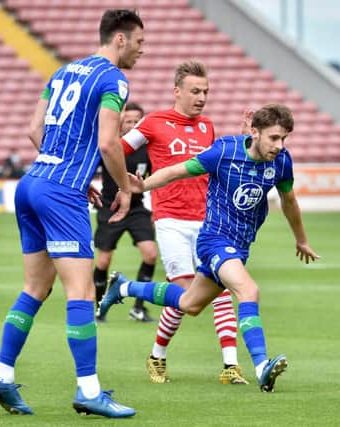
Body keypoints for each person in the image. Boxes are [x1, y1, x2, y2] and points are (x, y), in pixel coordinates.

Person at [99, 103, 319, 392]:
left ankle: (124, 288)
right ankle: (262, 366)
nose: (280, 145)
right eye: (274, 138)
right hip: (214, 240)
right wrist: (144, 186)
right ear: (255, 132)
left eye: (284, 138)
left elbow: (289, 201)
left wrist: (300, 239)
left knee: (190, 304)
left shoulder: (281, 162)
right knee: (248, 291)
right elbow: (177, 171)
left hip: (239, 246)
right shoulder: (224, 151)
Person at [0, 9, 144, 418]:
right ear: (120, 40)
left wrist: (69, 171)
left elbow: (34, 129)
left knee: (35, 289)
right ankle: (89, 390)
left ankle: (2, 375)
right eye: (140, 43)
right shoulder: (114, 79)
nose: (143, 52)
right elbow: (110, 144)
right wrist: (124, 190)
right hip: (59, 192)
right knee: (83, 291)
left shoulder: (63, 72)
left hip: (32, 183)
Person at [120, 61, 249, 385]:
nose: (202, 97)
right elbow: (116, 148)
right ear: (177, 91)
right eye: (195, 91)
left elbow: (221, 163)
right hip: (171, 221)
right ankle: (157, 354)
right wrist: (123, 182)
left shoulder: (207, 127)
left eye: (205, 91)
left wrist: (246, 142)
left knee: (220, 290)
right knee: (184, 294)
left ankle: (230, 366)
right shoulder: (153, 123)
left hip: (207, 222)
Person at [93, 102, 156, 323]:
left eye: (136, 121)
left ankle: (138, 308)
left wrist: (155, 209)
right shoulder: (110, 146)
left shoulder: (148, 150)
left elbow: (155, 180)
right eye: (127, 121)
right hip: (110, 206)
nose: (131, 125)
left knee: (150, 254)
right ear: (120, 122)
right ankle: (99, 306)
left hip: (137, 208)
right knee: (103, 261)